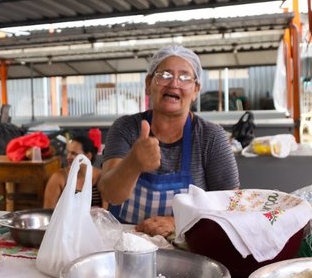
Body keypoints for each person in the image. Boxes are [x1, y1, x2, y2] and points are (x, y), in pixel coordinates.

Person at [98, 45, 239, 226]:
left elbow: (232, 205)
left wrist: (179, 223)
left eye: (185, 77)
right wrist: (133, 163)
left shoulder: (210, 137)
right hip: (126, 244)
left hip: (188, 247)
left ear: (196, 90)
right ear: (149, 84)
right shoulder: (126, 128)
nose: (174, 83)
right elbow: (110, 194)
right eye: (165, 75)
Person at [43, 135, 103, 209]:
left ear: (88, 156)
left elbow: (106, 212)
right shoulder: (59, 178)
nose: (68, 157)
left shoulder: (101, 177)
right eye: (68, 152)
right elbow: (48, 211)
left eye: (74, 153)